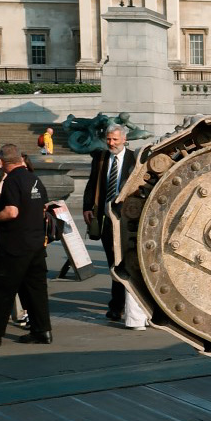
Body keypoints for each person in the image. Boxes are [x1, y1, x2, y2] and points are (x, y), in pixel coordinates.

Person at [0, 144, 53, 345]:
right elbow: (39, 206)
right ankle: (42, 331)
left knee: (3, 289)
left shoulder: (11, 180)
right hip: (36, 244)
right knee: (36, 290)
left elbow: (12, 212)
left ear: (1, 162)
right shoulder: (33, 178)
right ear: (20, 159)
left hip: (15, 245)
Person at [83, 123, 137, 322]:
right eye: (108, 139)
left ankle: (127, 305)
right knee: (113, 263)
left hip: (128, 220)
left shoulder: (135, 159)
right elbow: (91, 183)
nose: (111, 143)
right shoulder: (100, 157)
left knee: (127, 262)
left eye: (115, 139)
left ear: (124, 139)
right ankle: (117, 305)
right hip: (106, 220)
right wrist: (87, 207)